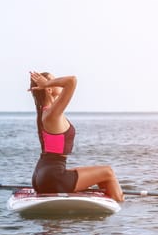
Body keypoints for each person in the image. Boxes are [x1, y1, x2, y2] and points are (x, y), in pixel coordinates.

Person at [28, 71, 124, 202]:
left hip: (41, 175)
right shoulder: (51, 114)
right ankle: (120, 209)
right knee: (108, 172)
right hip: (52, 176)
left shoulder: (44, 113)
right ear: (49, 89)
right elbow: (71, 81)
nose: (58, 82)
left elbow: (67, 84)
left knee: (96, 174)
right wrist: (46, 83)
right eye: (54, 80)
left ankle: (104, 205)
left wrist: (45, 84)